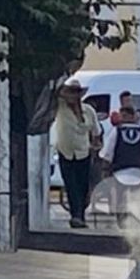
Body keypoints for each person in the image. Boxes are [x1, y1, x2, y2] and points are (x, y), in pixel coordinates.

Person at [99, 105, 140, 226]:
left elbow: (107, 152)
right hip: (139, 170)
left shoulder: (117, 130)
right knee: (137, 196)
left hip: (120, 170)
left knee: (120, 196)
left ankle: (122, 221)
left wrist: (105, 167)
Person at [53, 79, 102, 228]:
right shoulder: (60, 108)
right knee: (71, 185)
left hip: (83, 152)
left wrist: (96, 144)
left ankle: (80, 214)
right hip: (65, 151)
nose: (72, 96)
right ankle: (76, 216)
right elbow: (55, 93)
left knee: (83, 186)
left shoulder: (88, 111)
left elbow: (96, 131)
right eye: (70, 93)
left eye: (75, 93)